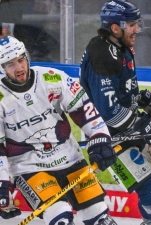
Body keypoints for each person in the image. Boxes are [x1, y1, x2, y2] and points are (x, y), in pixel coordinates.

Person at [0, 36, 118, 225]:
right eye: (11, 64)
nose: (19, 68)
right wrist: (2, 184)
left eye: (21, 60)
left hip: (70, 159)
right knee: (60, 217)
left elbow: (84, 111)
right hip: (29, 168)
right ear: (2, 68)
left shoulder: (52, 78)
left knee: (99, 217)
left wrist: (100, 137)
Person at [79, 1, 151, 225]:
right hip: (108, 135)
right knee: (150, 186)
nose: (138, 29)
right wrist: (143, 122)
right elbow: (108, 111)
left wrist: (143, 98)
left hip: (127, 130)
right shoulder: (102, 52)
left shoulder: (119, 47)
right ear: (115, 28)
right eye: (132, 25)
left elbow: (119, 92)